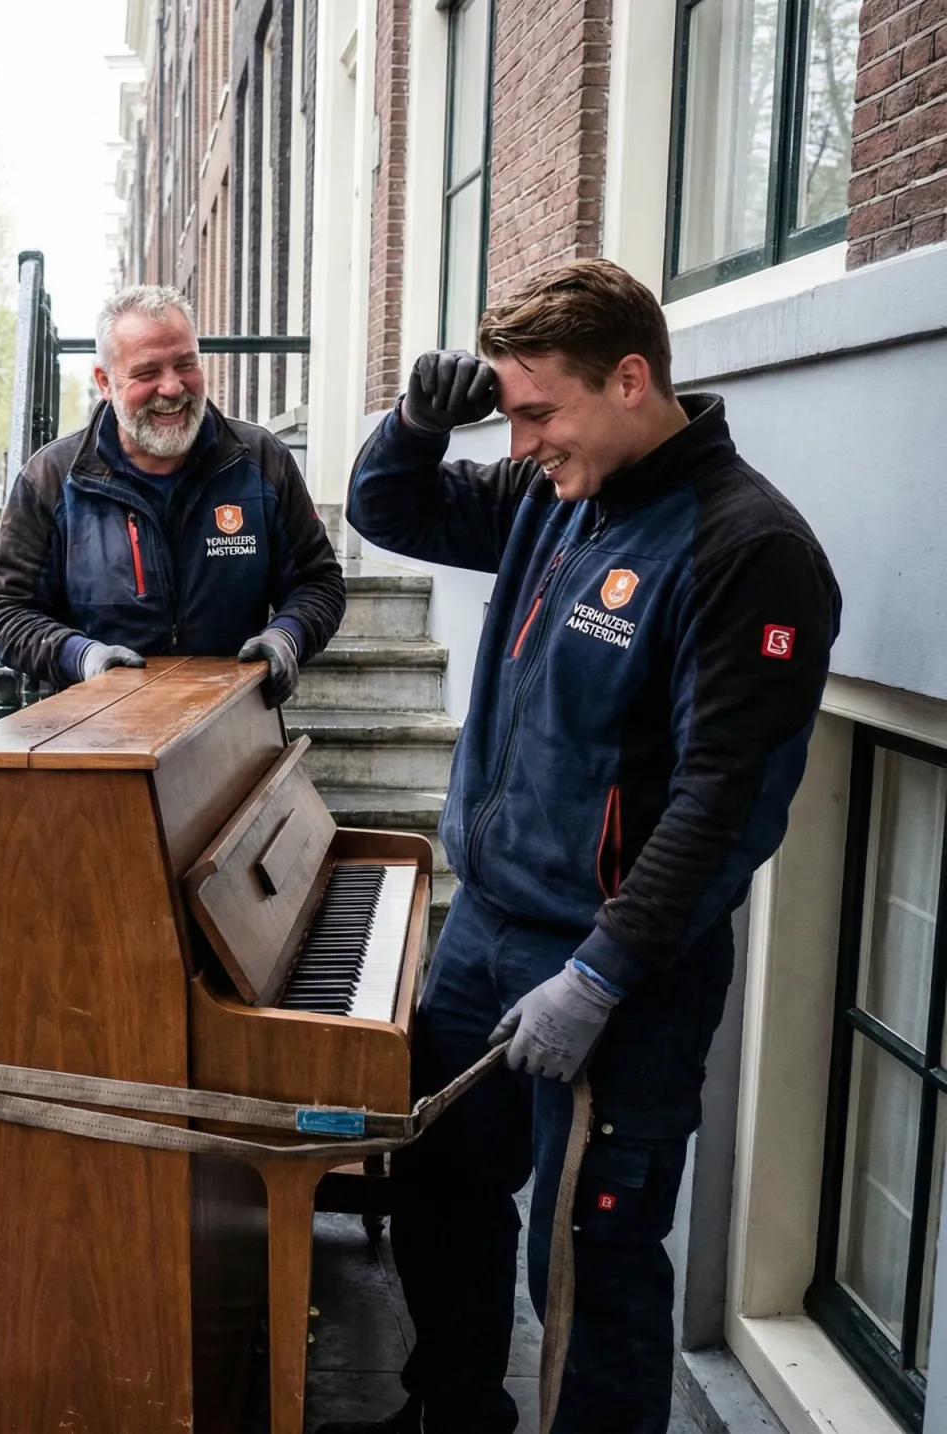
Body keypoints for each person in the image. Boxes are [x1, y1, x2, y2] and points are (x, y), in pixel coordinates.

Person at [326, 260, 840, 1434]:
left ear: (631, 377)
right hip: (492, 933)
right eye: (508, 418)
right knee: (444, 1187)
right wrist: (412, 425)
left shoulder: (747, 548)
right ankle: (452, 1414)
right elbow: (388, 514)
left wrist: (601, 974)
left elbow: (728, 802)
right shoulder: (551, 498)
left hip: (620, 979)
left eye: (536, 413)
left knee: (593, 1256)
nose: (518, 445)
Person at [0, 285, 345, 707]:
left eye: (186, 364)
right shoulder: (52, 479)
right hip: (100, 733)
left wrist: (287, 636)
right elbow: (6, 611)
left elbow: (318, 582)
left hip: (233, 728)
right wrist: (82, 657)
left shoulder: (262, 462)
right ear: (105, 381)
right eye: (147, 372)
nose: (172, 388)